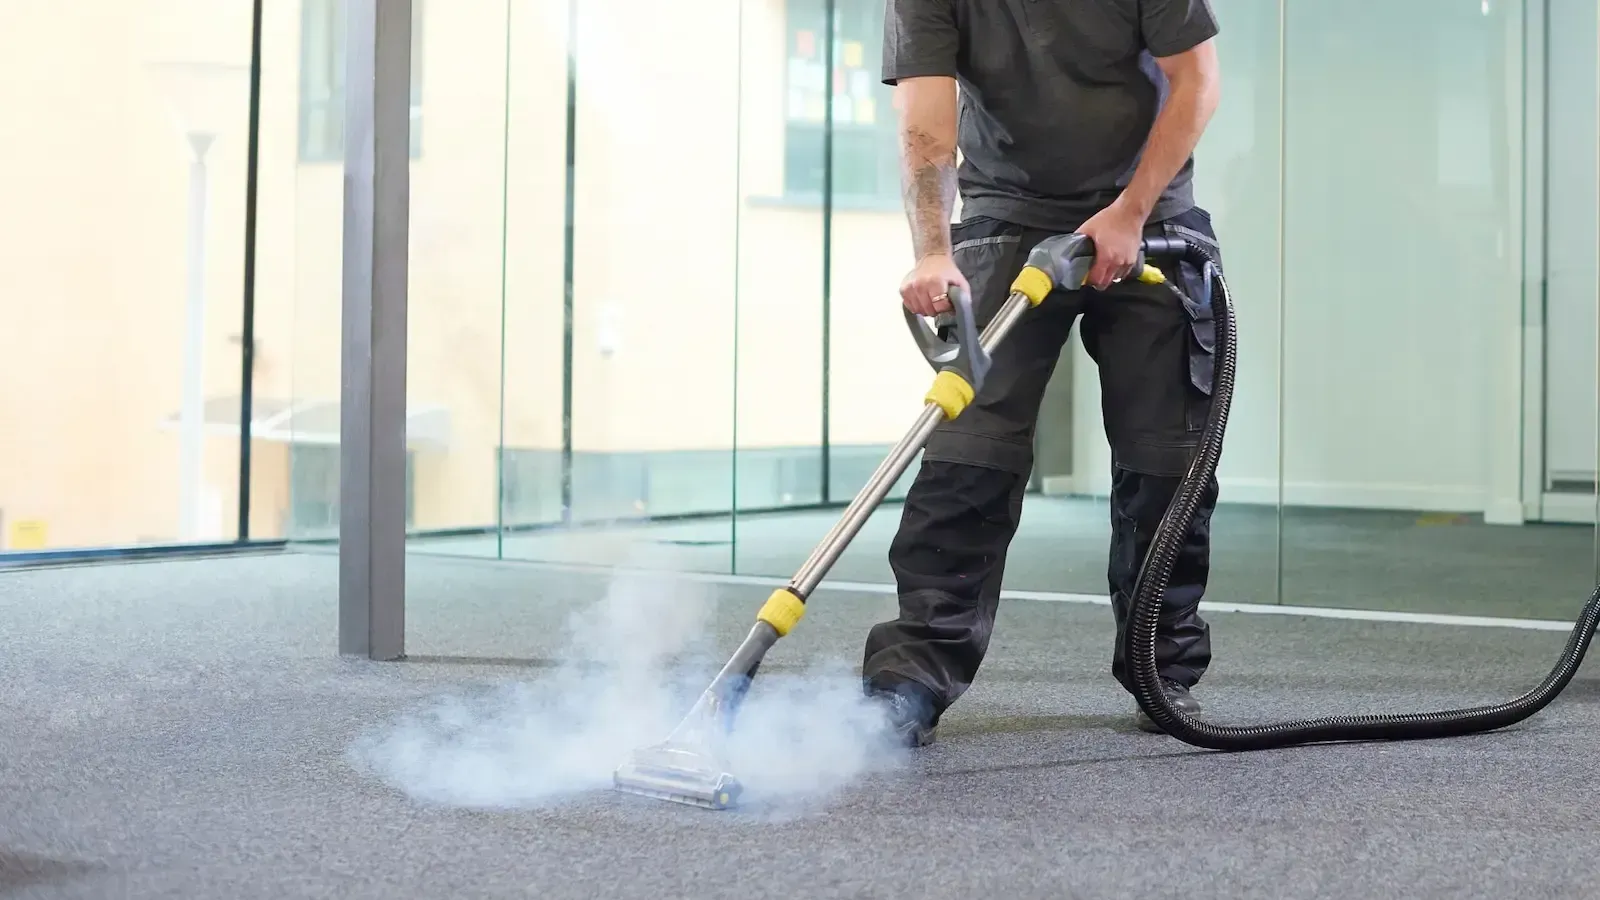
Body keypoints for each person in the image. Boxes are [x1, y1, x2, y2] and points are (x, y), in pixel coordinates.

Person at [861, 0, 1226, 743]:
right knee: (968, 450)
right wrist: (934, 249)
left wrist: (1130, 210)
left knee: (1169, 458)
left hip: (1149, 216)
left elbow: (1196, 80)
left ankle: (1162, 668)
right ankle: (911, 680)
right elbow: (927, 121)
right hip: (1007, 212)